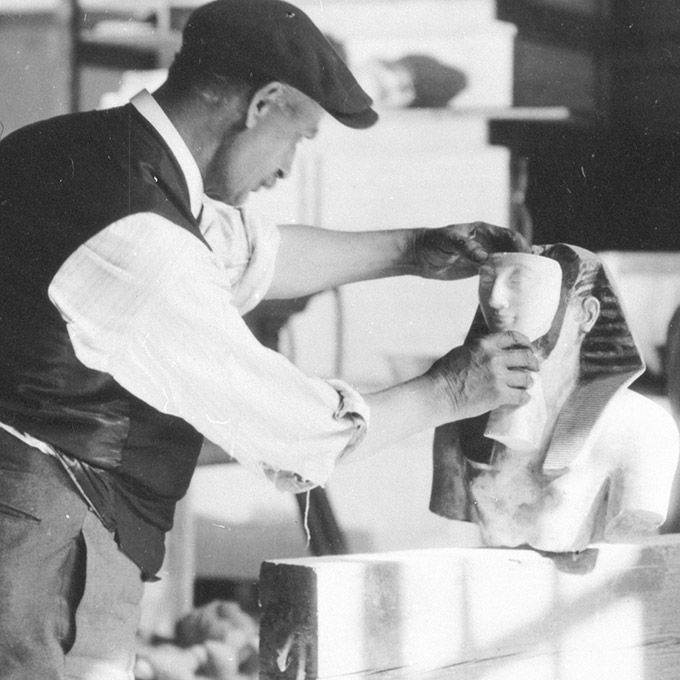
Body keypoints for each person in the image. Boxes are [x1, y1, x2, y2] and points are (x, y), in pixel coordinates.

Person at [0, 1, 539, 678]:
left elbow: (250, 253)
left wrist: (412, 248)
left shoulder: (84, 152)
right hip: (43, 549)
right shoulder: (139, 233)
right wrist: (452, 389)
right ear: (265, 103)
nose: (285, 169)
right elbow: (289, 431)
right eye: (298, 137)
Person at [430, 243, 680, 553]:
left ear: (587, 314)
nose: (495, 300)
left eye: (519, 282)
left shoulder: (645, 427)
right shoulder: (457, 419)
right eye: (488, 280)